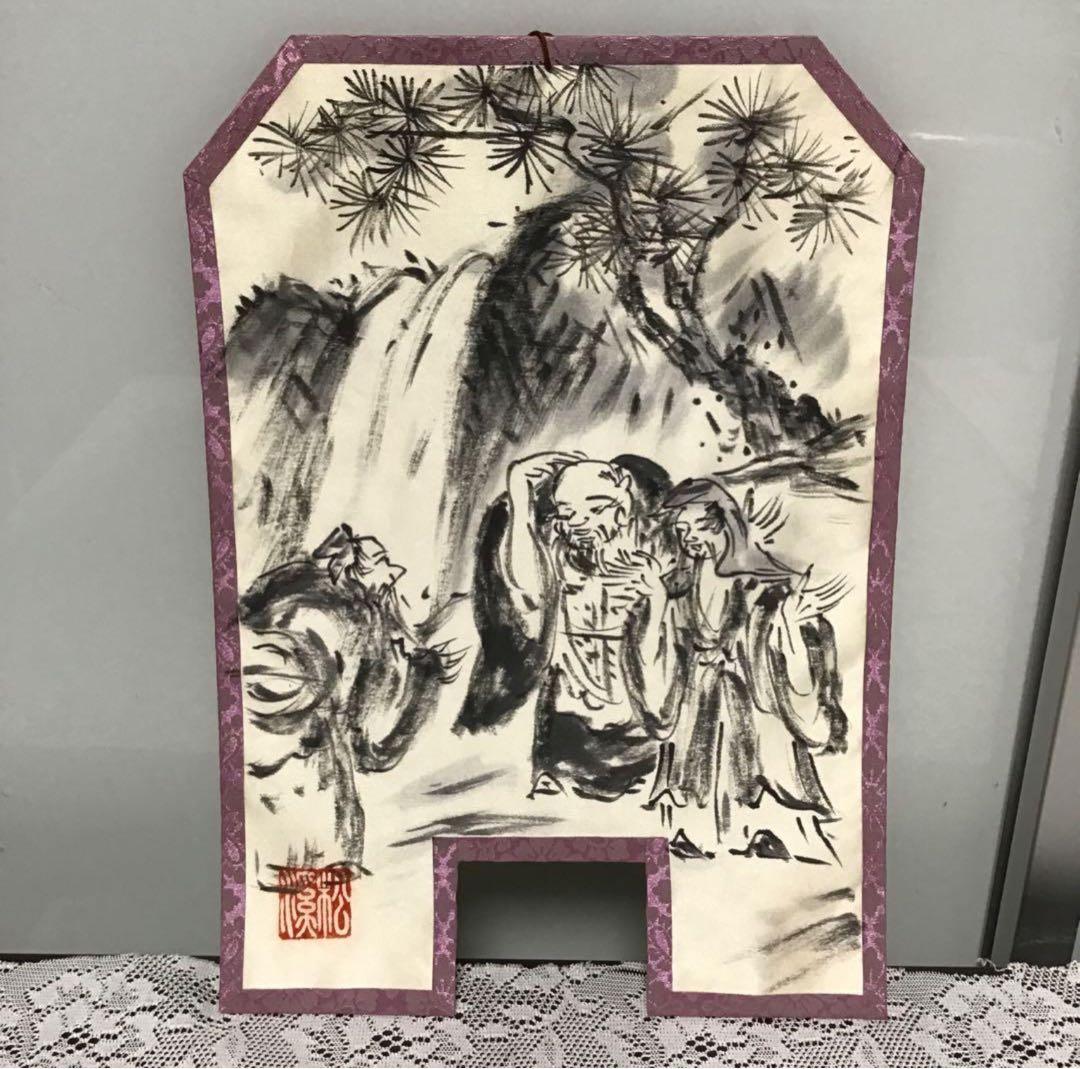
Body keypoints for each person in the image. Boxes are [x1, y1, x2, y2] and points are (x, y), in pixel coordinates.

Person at [643, 477, 850, 863]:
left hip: (751, 691)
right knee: (700, 767)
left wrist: (782, 622)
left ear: (725, 523)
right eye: (683, 530)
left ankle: (765, 833)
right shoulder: (684, 581)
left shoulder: (761, 577)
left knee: (759, 762)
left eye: (698, 527)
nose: (690, 539)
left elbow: (787, 626)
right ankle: (702, 837)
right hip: (700, 693)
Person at [455, 452, 673, 801]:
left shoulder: (646, 572)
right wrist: (520, 490)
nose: (580, 522)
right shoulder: (559, 560)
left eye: (594, 509)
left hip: (630, 727)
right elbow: (523, 581)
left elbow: (656, 650)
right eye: (568, 513)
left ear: (621, 510)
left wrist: (656, 600)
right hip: (567, 723)